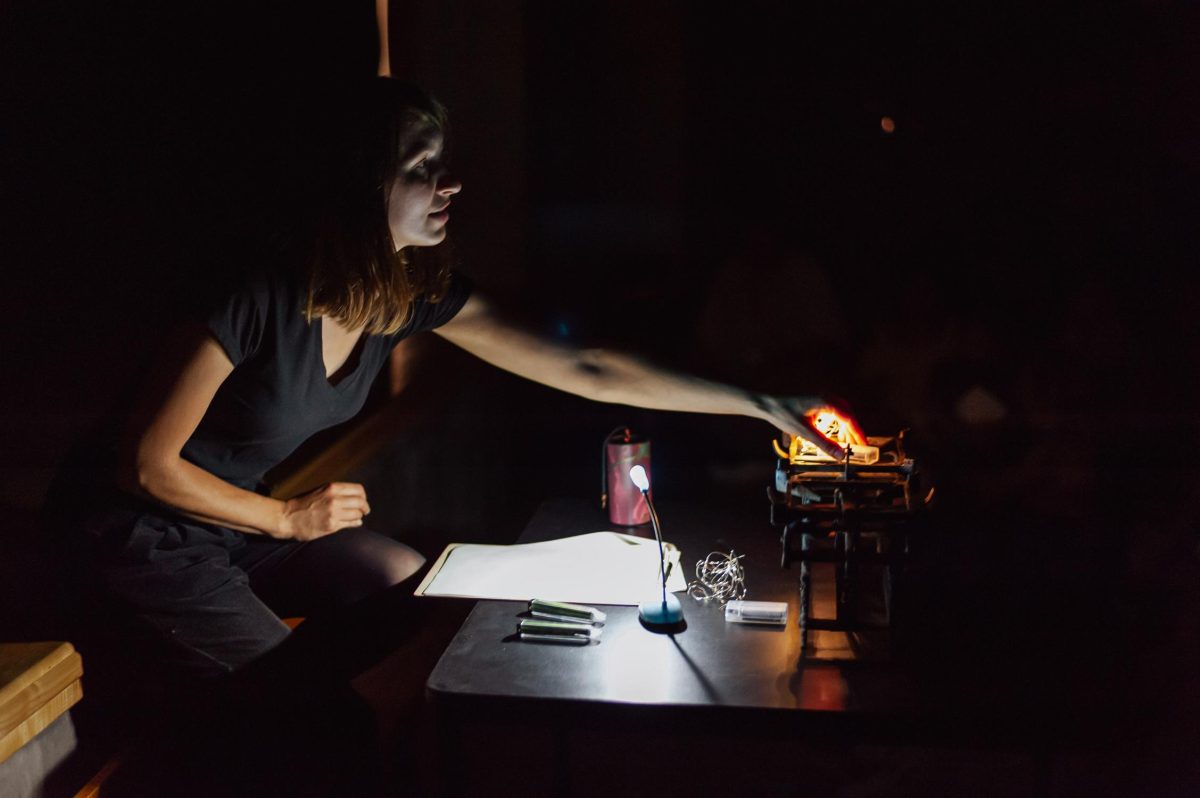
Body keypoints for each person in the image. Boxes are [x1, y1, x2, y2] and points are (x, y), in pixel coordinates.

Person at [58, 77, 854, 793]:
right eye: (422, 167)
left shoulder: (401, 294)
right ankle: (287, 730)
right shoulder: (257, 289)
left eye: (444, 163)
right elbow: (144, 464)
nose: (451, 183)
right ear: (361, 182)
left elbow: (585, 366)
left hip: (231, 527)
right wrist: (285, 518)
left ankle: (295, 723)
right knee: (325, 723)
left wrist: (759, 404)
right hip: (137, 535)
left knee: (408, 582)